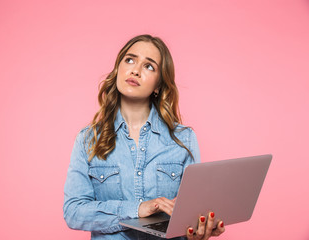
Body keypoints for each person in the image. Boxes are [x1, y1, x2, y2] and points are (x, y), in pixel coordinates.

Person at [63, 34, 225, 240]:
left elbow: (189, 214)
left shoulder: (183, 139)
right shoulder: (88, 139)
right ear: (118, 70)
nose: (135, 70)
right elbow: (74, 212)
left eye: (149, 66)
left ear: (158, 85)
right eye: (129, 60)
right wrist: (137, 209)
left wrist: (199, 230)